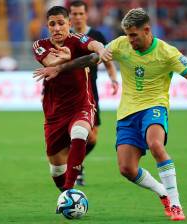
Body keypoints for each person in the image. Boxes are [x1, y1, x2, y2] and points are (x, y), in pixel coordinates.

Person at [34, 8, 187, 221]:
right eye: (127, 34)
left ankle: (176, 204)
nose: (129, 39)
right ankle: (163, 193)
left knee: (156, 145)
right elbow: (93, 58)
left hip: (154, 107)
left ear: (147, 30)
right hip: (127, 112)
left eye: (133, 35)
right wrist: (62, 68)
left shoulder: (168, 53)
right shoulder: (121, 44)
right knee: (127, 168)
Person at [32, 6, 108, 199]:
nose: (57, 28)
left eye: (61, 23)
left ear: (69, 24)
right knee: (56, 169)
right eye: (52, 24)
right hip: (54, 112)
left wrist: (100, 50)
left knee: (81, 133)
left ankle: (70, 191)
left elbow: (96, 48)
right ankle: (66, 192)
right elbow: (50, 62)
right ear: (47, 26)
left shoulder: (77, 39)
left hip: (81, 104)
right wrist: (65, 58)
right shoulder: (39, 45)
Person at [69, 0, 119, 186]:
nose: (77, 17)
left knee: (92, 136)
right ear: (70, 16)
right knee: (72, 131)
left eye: (80, 13)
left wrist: (114, 78)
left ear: (86, 14)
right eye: (74, 14)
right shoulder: (65, 36)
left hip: (91, 91)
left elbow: (107, 60)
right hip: (69, 91)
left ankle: (77, 162)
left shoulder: (96, 35)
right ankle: (74, 166)